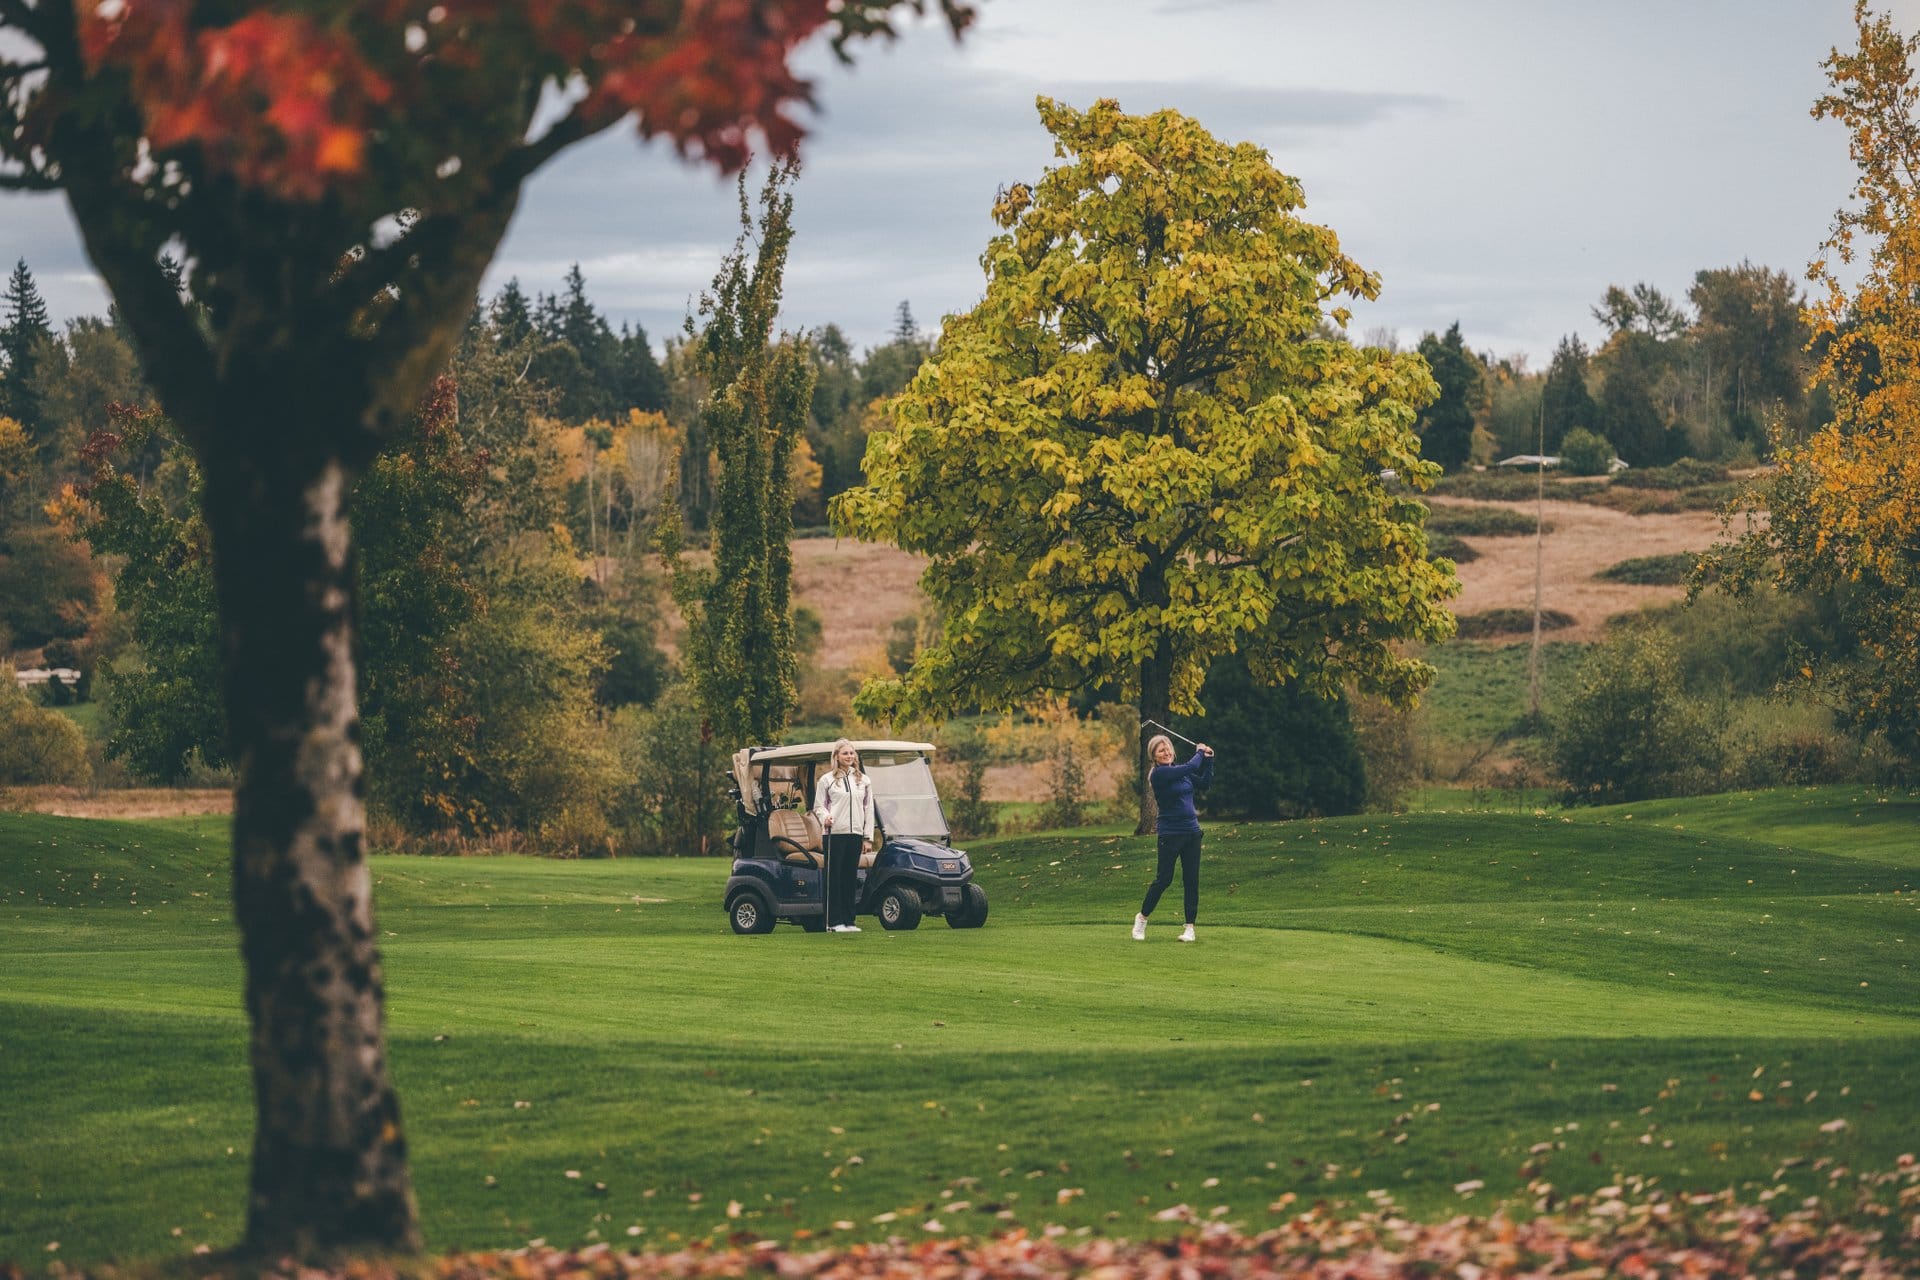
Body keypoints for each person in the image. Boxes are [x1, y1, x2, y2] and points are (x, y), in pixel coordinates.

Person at [1133, 734, 1214, 942]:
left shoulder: (1182, 772)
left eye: (1168, 748)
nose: (1166, 752)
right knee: (1164, 879)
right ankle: (1142, 918)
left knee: (1191, 880)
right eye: (1161, 750)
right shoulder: (1159, 775)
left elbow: (1204, 783)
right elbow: (1190, 767)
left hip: (1192, 833)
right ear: (1154, 756)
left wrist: (1209, 759)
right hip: (1170, 834)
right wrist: (1199, 752)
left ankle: (1189, 928)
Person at [813, 739, 876, 933]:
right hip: (834, 834)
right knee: (834, 879)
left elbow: (868, 809)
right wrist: (825, 817)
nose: (849, 756)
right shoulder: (827, 780)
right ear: (836, 757)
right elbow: (818, 806)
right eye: (845, 753)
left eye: (851, 753)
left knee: (850, 878)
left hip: (855, 834)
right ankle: (833, 922)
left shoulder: (863, 780)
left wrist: (868, 837)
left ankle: (849, 921)